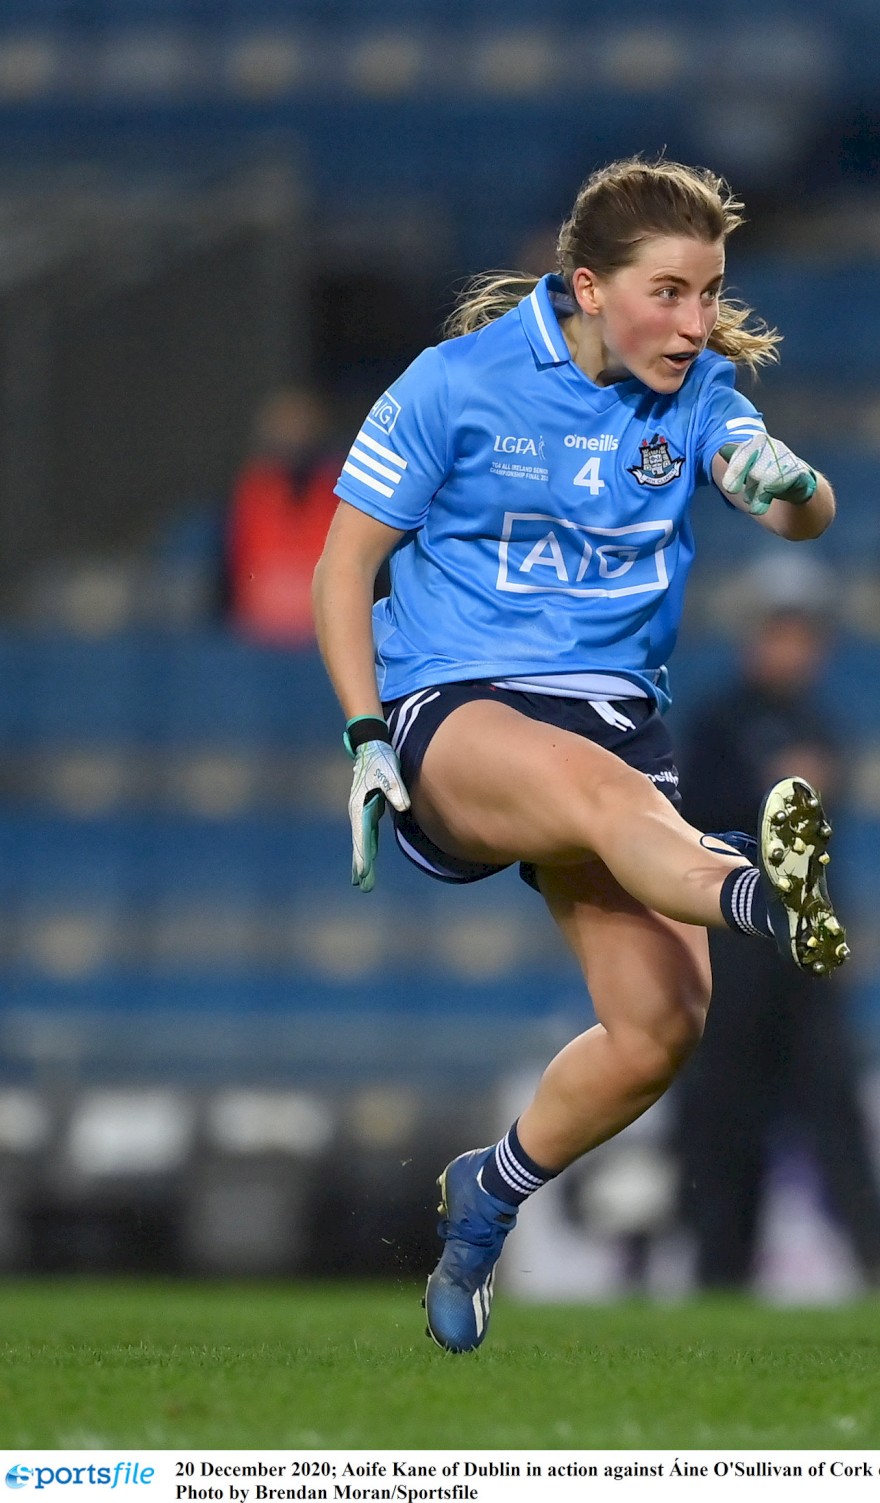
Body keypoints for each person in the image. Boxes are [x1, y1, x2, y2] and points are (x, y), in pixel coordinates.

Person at [312, 156, 850, 1354]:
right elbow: (342, 567)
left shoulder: (701, 392)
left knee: (660, 1029)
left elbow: (796, 510)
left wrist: (789, 482)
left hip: (614, 719)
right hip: (455, 708)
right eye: (669, 292)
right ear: (587, 285)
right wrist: (360, 734)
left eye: (709, 293)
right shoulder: (455, 384)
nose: (695, 322)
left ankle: (485, 1197)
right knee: (611, 804)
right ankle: (759, 892)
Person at [674, 575, 880, 1290]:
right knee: (726, 1120)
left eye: (806, 638)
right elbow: (695, 829)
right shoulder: (715, 725)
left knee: (835, 1105)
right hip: (734, 947)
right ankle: (720, 1273)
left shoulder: (819, 723)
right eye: (783, 635)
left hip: (802, 948)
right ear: (756, 638)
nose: (794, 651)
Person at [226, 387, 342, 647]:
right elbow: (230, 575)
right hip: (256, 645)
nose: (293, 439)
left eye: (301, 428)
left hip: (321, 644)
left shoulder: (341, 491)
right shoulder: (251, 492)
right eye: (284, 429)